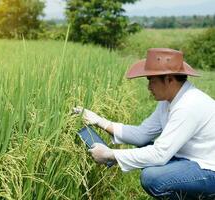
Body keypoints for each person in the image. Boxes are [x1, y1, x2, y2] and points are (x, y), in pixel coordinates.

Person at [73, 48, 215, 199]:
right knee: (145, 146)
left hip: (208, 169)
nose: (148, 87)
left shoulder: (188, 105)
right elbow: (142, 135)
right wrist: (100, 121)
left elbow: (160, 154)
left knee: (152, 177)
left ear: (169, 79)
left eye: (151, 81)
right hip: (187, 159)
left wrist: (110, 155)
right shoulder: (169, 100)